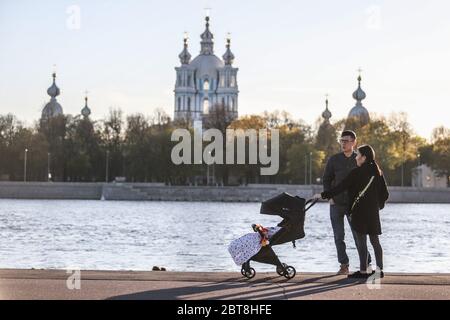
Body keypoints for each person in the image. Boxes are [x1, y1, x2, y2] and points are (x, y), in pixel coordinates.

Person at [314, 144, 389, 278]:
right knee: (375, 241)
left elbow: (341, 187)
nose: (356, 158)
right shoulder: (378, 172)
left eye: (358, 155)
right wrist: (377, 207)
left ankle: (363, 271)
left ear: (364, 157)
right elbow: (385, 194)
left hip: (358, 212)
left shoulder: (356, 172)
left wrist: (324, 195)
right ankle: (379, 271)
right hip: (373, 213)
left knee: (361, 243)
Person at [322, 130, 371, 274]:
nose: (343, 143)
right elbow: (326, 179)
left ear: (354, 142)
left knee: (359, 236)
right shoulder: (334, 160)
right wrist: (329, 197)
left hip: (354, 205)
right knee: (338, 237)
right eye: (341, 141)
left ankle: (366, 265)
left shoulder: (360, 159)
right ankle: (344, 265)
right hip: (336, 204)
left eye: (346, 141)